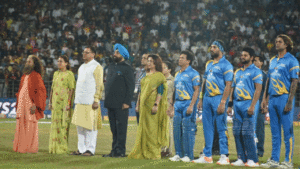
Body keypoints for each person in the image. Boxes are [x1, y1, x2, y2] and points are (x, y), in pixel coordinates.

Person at [261, 34, 299, 169]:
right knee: (275, 132)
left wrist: (290, 101)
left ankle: (288, 161)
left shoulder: (292, 60)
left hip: (284, 98)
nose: (277, 44)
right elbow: (268, 80)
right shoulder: (272, 60)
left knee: (287, 131)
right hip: (272, 98)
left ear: (286, 44)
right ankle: (274, 160)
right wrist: (265, 98)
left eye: (280, 42)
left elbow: (295, 81)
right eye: (276, 41)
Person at [193, 41, 233, 165]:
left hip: (218, 97)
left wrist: (223, 102)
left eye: (214, 47)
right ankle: (207, 155)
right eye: (211, 47)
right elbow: (204, 82)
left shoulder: (227, 65)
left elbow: (228, 85)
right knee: (207, 128)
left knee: (221, 127)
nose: (211, 49)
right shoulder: (209, 64)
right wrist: (201, 98)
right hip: (207, 98)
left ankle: (224, 155)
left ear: (220, 49)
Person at [128, 54, 168, 159]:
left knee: (152, 130)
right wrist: (137, 104)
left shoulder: (159, 76)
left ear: (155, 63)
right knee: (143, 129)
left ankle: (153, 153)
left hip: (152, 106)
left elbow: (160, 91)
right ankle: (143, 151)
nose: (148, 63)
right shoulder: (145, 75)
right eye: (148, 61)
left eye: (151, 61)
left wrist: (156, 104)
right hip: (143, 106)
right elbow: (141, 92)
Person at [228, 47, 263, 167]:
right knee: (237, 132)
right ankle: (241, 158)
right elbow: (233, 88)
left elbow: (258, 90)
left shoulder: (256, 71)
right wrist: (230, 104)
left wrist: (253, 106)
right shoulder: (237, 72)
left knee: (247, 132)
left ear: (251, 57)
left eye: (245, 55)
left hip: (249, 103)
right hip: (237, 104)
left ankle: (253, 159)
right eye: (242, 55)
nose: (242, 57)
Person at [71, 46, 104, 156]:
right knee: (80, 127)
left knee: (90, 127)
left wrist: (96, 99)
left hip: (90, 101)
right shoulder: (81, 67)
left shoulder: (97, 66)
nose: (84, 54)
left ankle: (90, 149)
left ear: (93, 54)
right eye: (84, 52)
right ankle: (81, 149)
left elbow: (99, 85)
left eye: (87, 52)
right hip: (80, 101)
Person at [103, 43, 134, 158]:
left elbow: (130, 86)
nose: (114, 54)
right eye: (114, 52)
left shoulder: (127, 68)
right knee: (113, 129)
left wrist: (127, 102)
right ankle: (114, 150)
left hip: (121, 104)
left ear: (123, 55)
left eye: (117, 52)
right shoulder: (111, 66)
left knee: (121, 128)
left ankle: (120, 151)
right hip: (110, 102)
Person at [169, 50, 201, 162]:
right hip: (178, 103)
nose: (179, 59)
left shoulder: (194, 73)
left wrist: (192, 105)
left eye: (182, 58)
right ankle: (178, 153)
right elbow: (175, 90)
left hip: (188, 103)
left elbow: (196, 91)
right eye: (179, 57)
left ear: (188, 61)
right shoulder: (177, 74)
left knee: (188, 129)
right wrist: (171, 105)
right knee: (176, 129)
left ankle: (188, 155)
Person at [13, 55, 47, 153]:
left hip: (30, 105)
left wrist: (36, 105)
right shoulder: (24, 76)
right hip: (22, 104)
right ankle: (19, 147)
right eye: (27, 61)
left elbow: (41, 92)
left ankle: (29, 148)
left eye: (29, 61)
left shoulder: (36, 75)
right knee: (21, 124)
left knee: (29, 124)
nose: (27, 63)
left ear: (34, 64)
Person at [49, 55, 75, 154]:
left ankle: (62, 147)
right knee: (55, 124)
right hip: (55, 103)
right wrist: (50, 102)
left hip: (64, 103)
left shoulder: (69, 74)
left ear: (66, 63)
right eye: (58, 61)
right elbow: (52, 89)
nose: (59, 63)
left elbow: (71, 89)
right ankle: (54, 147)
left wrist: (69, 103)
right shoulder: (55, 74)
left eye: (61, 61)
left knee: (63, 124)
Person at [253, 55, 267, 158]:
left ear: (261, 63)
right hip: (250, 105)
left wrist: (265, 103)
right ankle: (250, 149)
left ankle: (260, 151)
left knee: (259, 129)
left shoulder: (264, 75)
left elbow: (267, 91)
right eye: (253, 61)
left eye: (256, 61)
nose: (254, 62)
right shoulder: (250, 74)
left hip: (260, 105)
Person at [161, 61, 175, 157]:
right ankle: (162, 149)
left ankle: (169, 150)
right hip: (160, 107)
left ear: (169, 69)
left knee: (169, 130)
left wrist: (172, 107)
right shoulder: (160, 79)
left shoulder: (172, 80)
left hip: (168, 107)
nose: (162, 69)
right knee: (161, 129)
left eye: (164, 67)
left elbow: (175, 95)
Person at [134, 53, 149, 124]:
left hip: (147, 99)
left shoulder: (152, 73)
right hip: (139, 97)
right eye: (142, 58)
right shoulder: (139, 71)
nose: (142, 59)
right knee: (139, 122)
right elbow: (137, 84)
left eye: (144, 58)